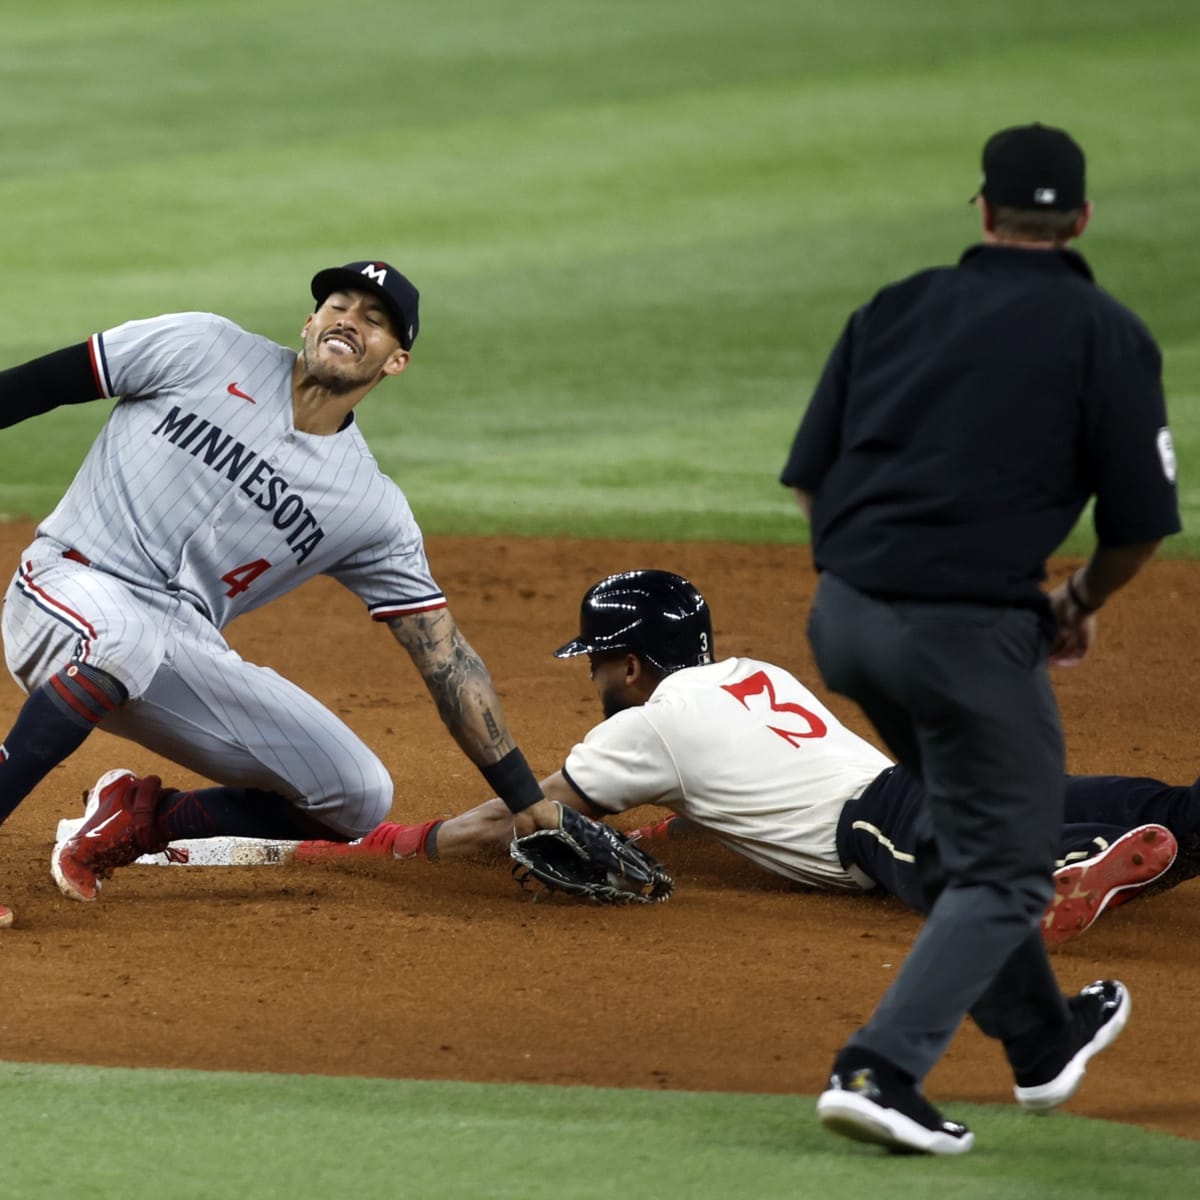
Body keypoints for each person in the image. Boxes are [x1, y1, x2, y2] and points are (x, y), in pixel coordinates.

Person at [779, 122, 1181, 1154]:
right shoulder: (1108, 332)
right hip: (964, 637)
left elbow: (814, 474)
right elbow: (1137, 526)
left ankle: (1042, 1039)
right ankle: (880, 1069)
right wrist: (1075, 604)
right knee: (1010, 864)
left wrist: (865, 583)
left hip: (847, 620)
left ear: (983, 210)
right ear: (1082, 219)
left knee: (965, 833)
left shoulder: (896, 307)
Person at [0, 259, 562, 921]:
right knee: (123, 637)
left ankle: (142, 818)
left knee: (356, 794)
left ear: (395, 362)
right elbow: (35, 385)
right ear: (310, 323)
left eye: (375, 320)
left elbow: (446, 658)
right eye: (339, 306)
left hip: (175, 645)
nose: (351, 320)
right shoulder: (200, 346)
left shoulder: (368, 505)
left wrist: (528, 801)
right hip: (65, 588)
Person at [293, 570, 1198, 947]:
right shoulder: (746, 676)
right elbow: (713, 798)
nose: (598, 678)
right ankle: (1148, 826)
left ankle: (1059, 876)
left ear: (633, 663)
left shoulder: (642, 727)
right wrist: (661, 831)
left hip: (878, 826)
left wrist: (403, 843)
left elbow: (516, 818)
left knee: (951, 873)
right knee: (1126, 800)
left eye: (601, 661)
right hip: (923, 783)